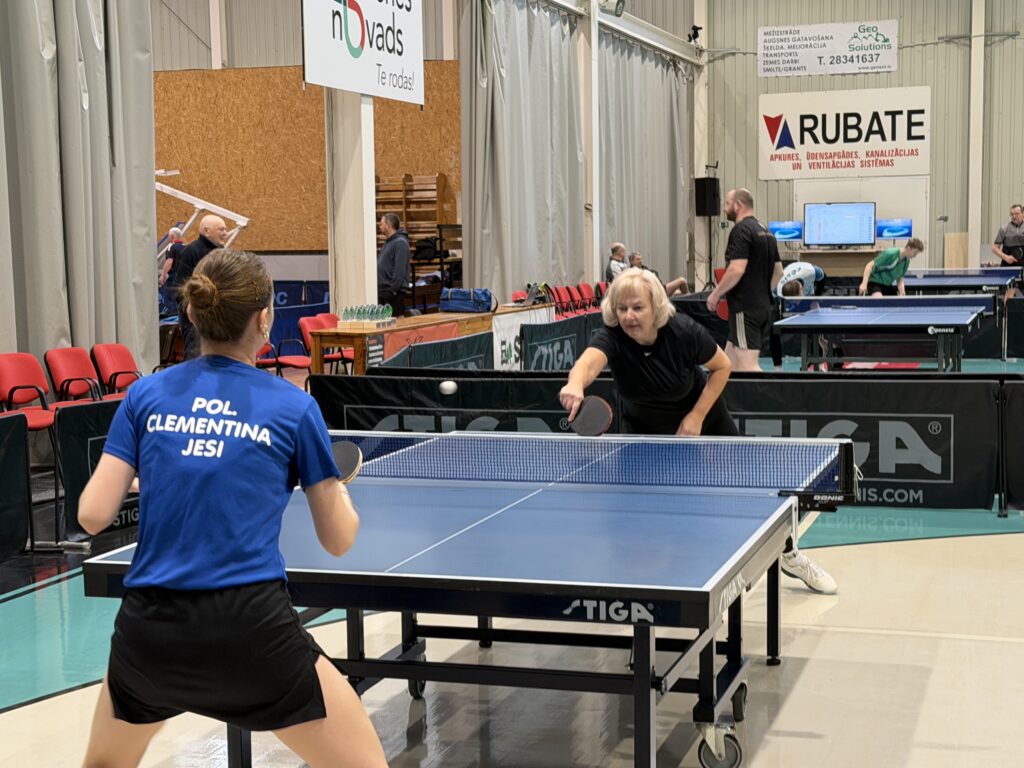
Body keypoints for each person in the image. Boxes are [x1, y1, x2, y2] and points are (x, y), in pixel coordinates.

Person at [77, 250, 388, 768]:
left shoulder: (144, 396)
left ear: (192, 313)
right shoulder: (294, 406)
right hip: (250, 634)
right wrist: (341, 494)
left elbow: (92, 514)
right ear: (265, 318)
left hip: (151, 632)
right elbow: (338, 540)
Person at [558, 267, 837, 594]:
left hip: (703, 418)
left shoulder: (682, 331)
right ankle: (662, 575)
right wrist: (575, 384)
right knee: (640, 507)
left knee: (749, 491)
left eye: (637, 307)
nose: (629, 316)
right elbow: (588, 363)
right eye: (622, 308)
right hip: (644, 429)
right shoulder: (613, 335)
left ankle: (789, 554)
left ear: (655, 306)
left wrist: (696, 417)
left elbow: (722, 366)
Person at [706, 188, 783, 372]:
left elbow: (736, 269)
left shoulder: (740, 230)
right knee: (726, 367)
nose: (724, 208)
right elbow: (779, 272)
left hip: (744, 309)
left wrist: (715, 294)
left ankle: (769, 392)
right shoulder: (766, 231)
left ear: (738, 205)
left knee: (748, 367)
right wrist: (761, 291)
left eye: (727, 203)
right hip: (763, 307)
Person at [171, 215, 230, 359]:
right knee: (196, 359)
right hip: (195, 323)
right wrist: (193, 315)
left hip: (218, 320)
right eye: (221, 229)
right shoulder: (191, 251)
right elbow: (179, 288)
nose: (226, 233)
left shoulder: (222, 253)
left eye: (226, 229)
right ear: (206, 231)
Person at [858, 238, 925, 296]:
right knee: (879, 301)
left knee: (895, 303)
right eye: (914, 253)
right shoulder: (890, 253)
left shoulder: (906, 261)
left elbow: (900, 279)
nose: (915, 256)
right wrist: (864, 284)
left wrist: (902, 293)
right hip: (874, 282)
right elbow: (869, 265)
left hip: (887, 285)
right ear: (908, 248)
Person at [377, 213, 411, 316]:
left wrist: (393, 290)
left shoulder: (400, 243)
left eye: (381, 224)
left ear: (388, 225)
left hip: (392, 293)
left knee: (396, 322)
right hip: (384, 291)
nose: (380, 226)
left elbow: (400, 269)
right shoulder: (388, 242)